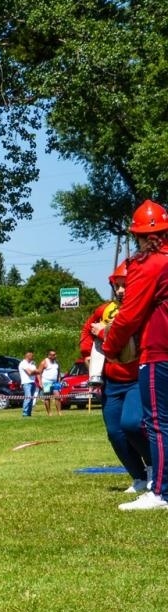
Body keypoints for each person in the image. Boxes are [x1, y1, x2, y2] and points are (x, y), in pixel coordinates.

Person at [102, 200, 168, 510]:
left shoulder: (147, 262)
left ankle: (161, 491)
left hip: (159, 350)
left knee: (157, 422)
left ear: (139, 236)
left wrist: (110, 347)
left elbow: (128, 316)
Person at [81, 264, 149, 494]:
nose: (120, 290)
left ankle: (153, 468)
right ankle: (139, 478)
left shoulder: (142, 309)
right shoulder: (103, 310)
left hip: (137, 378)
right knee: (115, 432)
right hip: (112, 382)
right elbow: (87, 330)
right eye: (117, 285)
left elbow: (119, 333)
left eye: (125, 285)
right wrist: (86, 356)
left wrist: (104, 332)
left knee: (132, 424)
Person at [39, 349, 61, 415]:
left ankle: (59, 412)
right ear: (49, 355)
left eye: (55, 354)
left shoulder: (57, 363)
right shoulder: (44, 362)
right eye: (53, 355)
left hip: (55, 382)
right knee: (47, 398)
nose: (55, 356)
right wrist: (40, 382)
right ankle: (49, 413)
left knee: (58, 396)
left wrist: (59, 381)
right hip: (46, 382)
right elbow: (38, 373)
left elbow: (58, 373)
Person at [18, 351, 39, 417]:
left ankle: (29, 413)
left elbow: (37, 372)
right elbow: (29, 373)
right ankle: (25, 413)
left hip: (33, 382)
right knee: (28, 398)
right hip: (26, 383)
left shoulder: (33, 364)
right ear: (28, 356)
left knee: (31, 399)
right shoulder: (23, 363)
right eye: (32, 356)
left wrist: (36, 372)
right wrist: (36, 371)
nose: (33, 357)